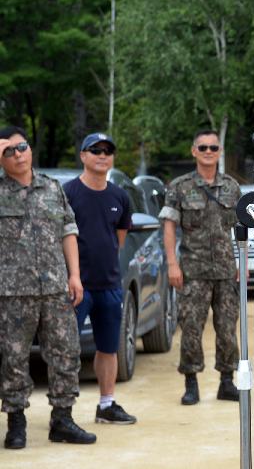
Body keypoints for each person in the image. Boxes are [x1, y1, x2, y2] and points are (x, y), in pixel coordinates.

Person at [0, 126, 96, 448]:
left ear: (31, 149)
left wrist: (75, 275)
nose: (18, 154)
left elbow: (68, 230)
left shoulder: (52, 188)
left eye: (22, 147)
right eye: (8, 151)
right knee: (13, 358)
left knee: (65, 354)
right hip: (12, 293)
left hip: (55, 288)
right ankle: (16, 423)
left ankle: (63, 420)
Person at [158, 130, 241, 405]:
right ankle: (191, 383)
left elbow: (241, 229)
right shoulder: (180, 187)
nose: (208, 151)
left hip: (226, 270)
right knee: (191, 329)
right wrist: (172, 264)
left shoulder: (231, 187)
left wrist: (243, 262)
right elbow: (169, 226)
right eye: (203, 147)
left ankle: (226, 381)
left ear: (219, 152)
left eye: (213, 147)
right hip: (192, 270)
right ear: (194, 151)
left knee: (227, 328)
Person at [63, 132, 136, 424]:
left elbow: (118, 239)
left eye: (107, 150)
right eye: (95, 150)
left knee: (108, 347)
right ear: (83, 156)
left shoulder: (120, 196)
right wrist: (73, 275)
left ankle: (107, 405)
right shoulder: (67, 193)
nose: (102, 155)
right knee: (67, 349)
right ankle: (63, 411)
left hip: (109, 286)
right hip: (76, 287)